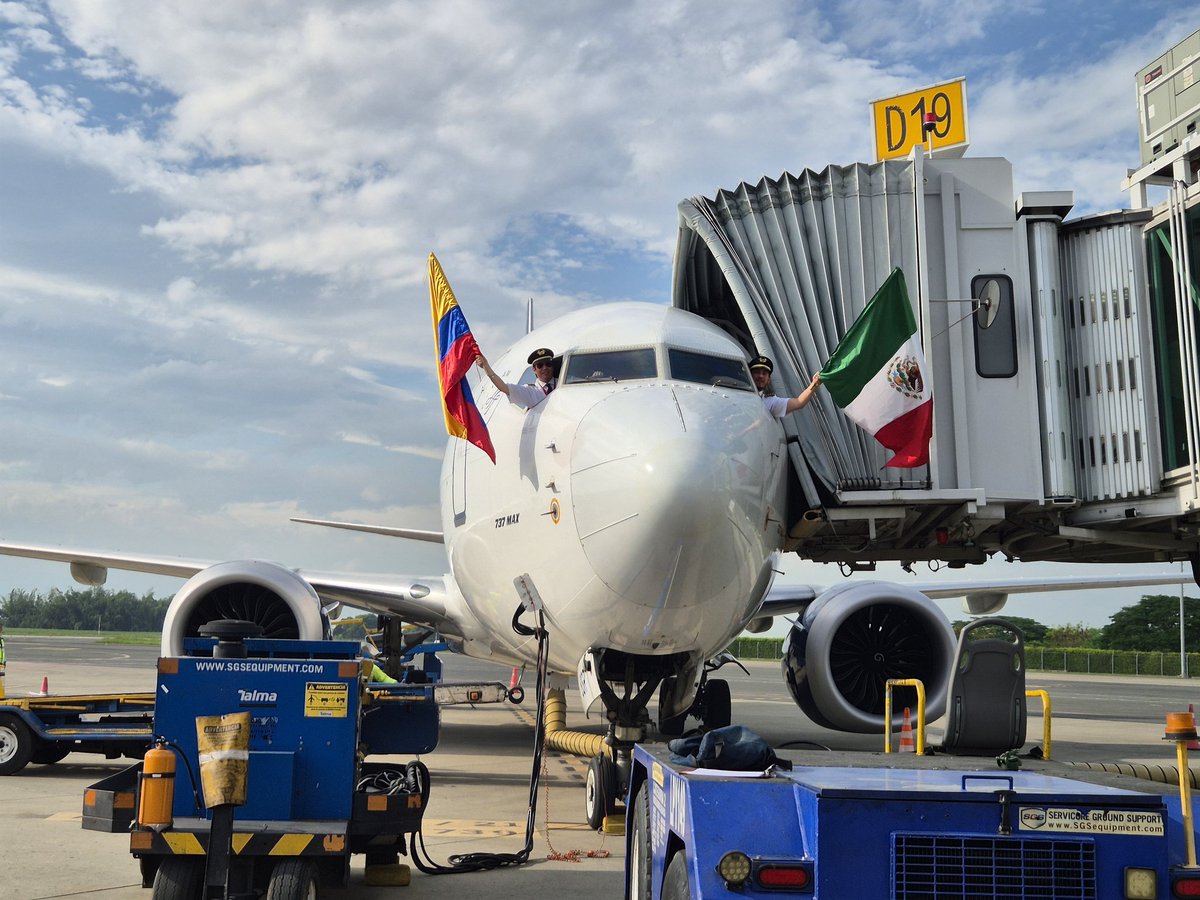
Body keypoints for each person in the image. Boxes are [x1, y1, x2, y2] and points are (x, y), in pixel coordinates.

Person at [476, 347, 557, 410]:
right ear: (534, 370)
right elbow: (503, 387)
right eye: (540, 366)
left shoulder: (563, 383)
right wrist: (486, 366)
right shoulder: (531, 392)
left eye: (548, 364)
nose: (545, 368)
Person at [749, 354, 821, 418]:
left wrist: (815, 383)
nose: (761, 376)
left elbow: (799, 403)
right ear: (749, 375)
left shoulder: (770, 402)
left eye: (764, 373)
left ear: (769, 380)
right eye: (757, 372)